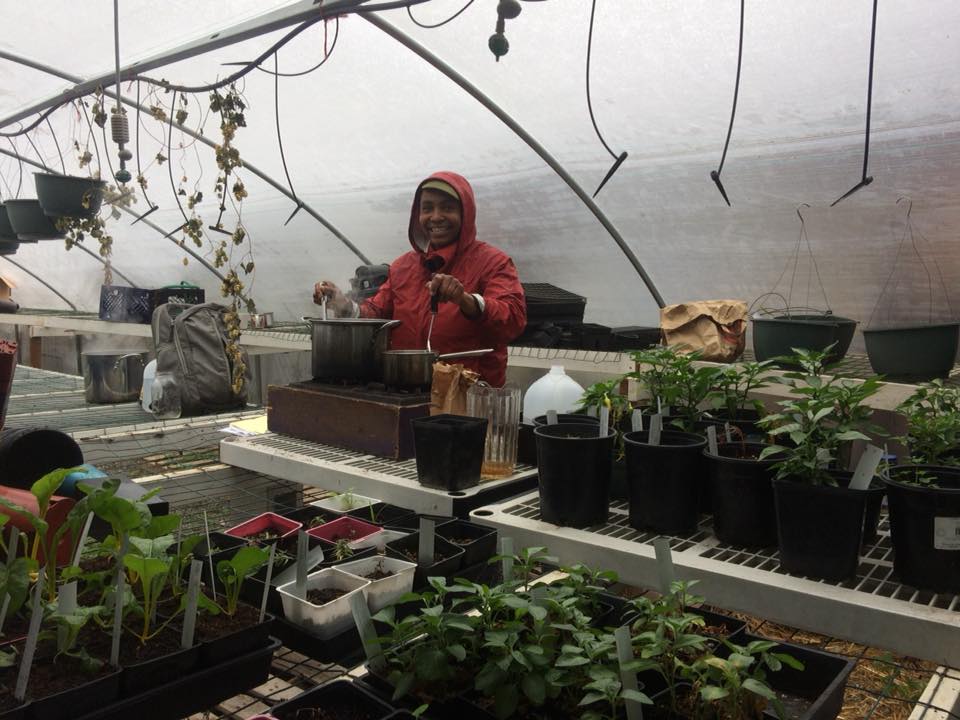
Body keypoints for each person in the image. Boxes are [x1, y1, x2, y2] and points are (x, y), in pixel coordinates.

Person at [314, 171, 526, 387]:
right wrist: (342, 304)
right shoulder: (403, 267)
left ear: (466, 213)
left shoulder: (492, 262)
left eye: (447, 207)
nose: (435, 217)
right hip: (407, 391)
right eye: (427, 208)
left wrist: (465, 300)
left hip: (466, 397)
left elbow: (514, 320)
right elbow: (376, 314)